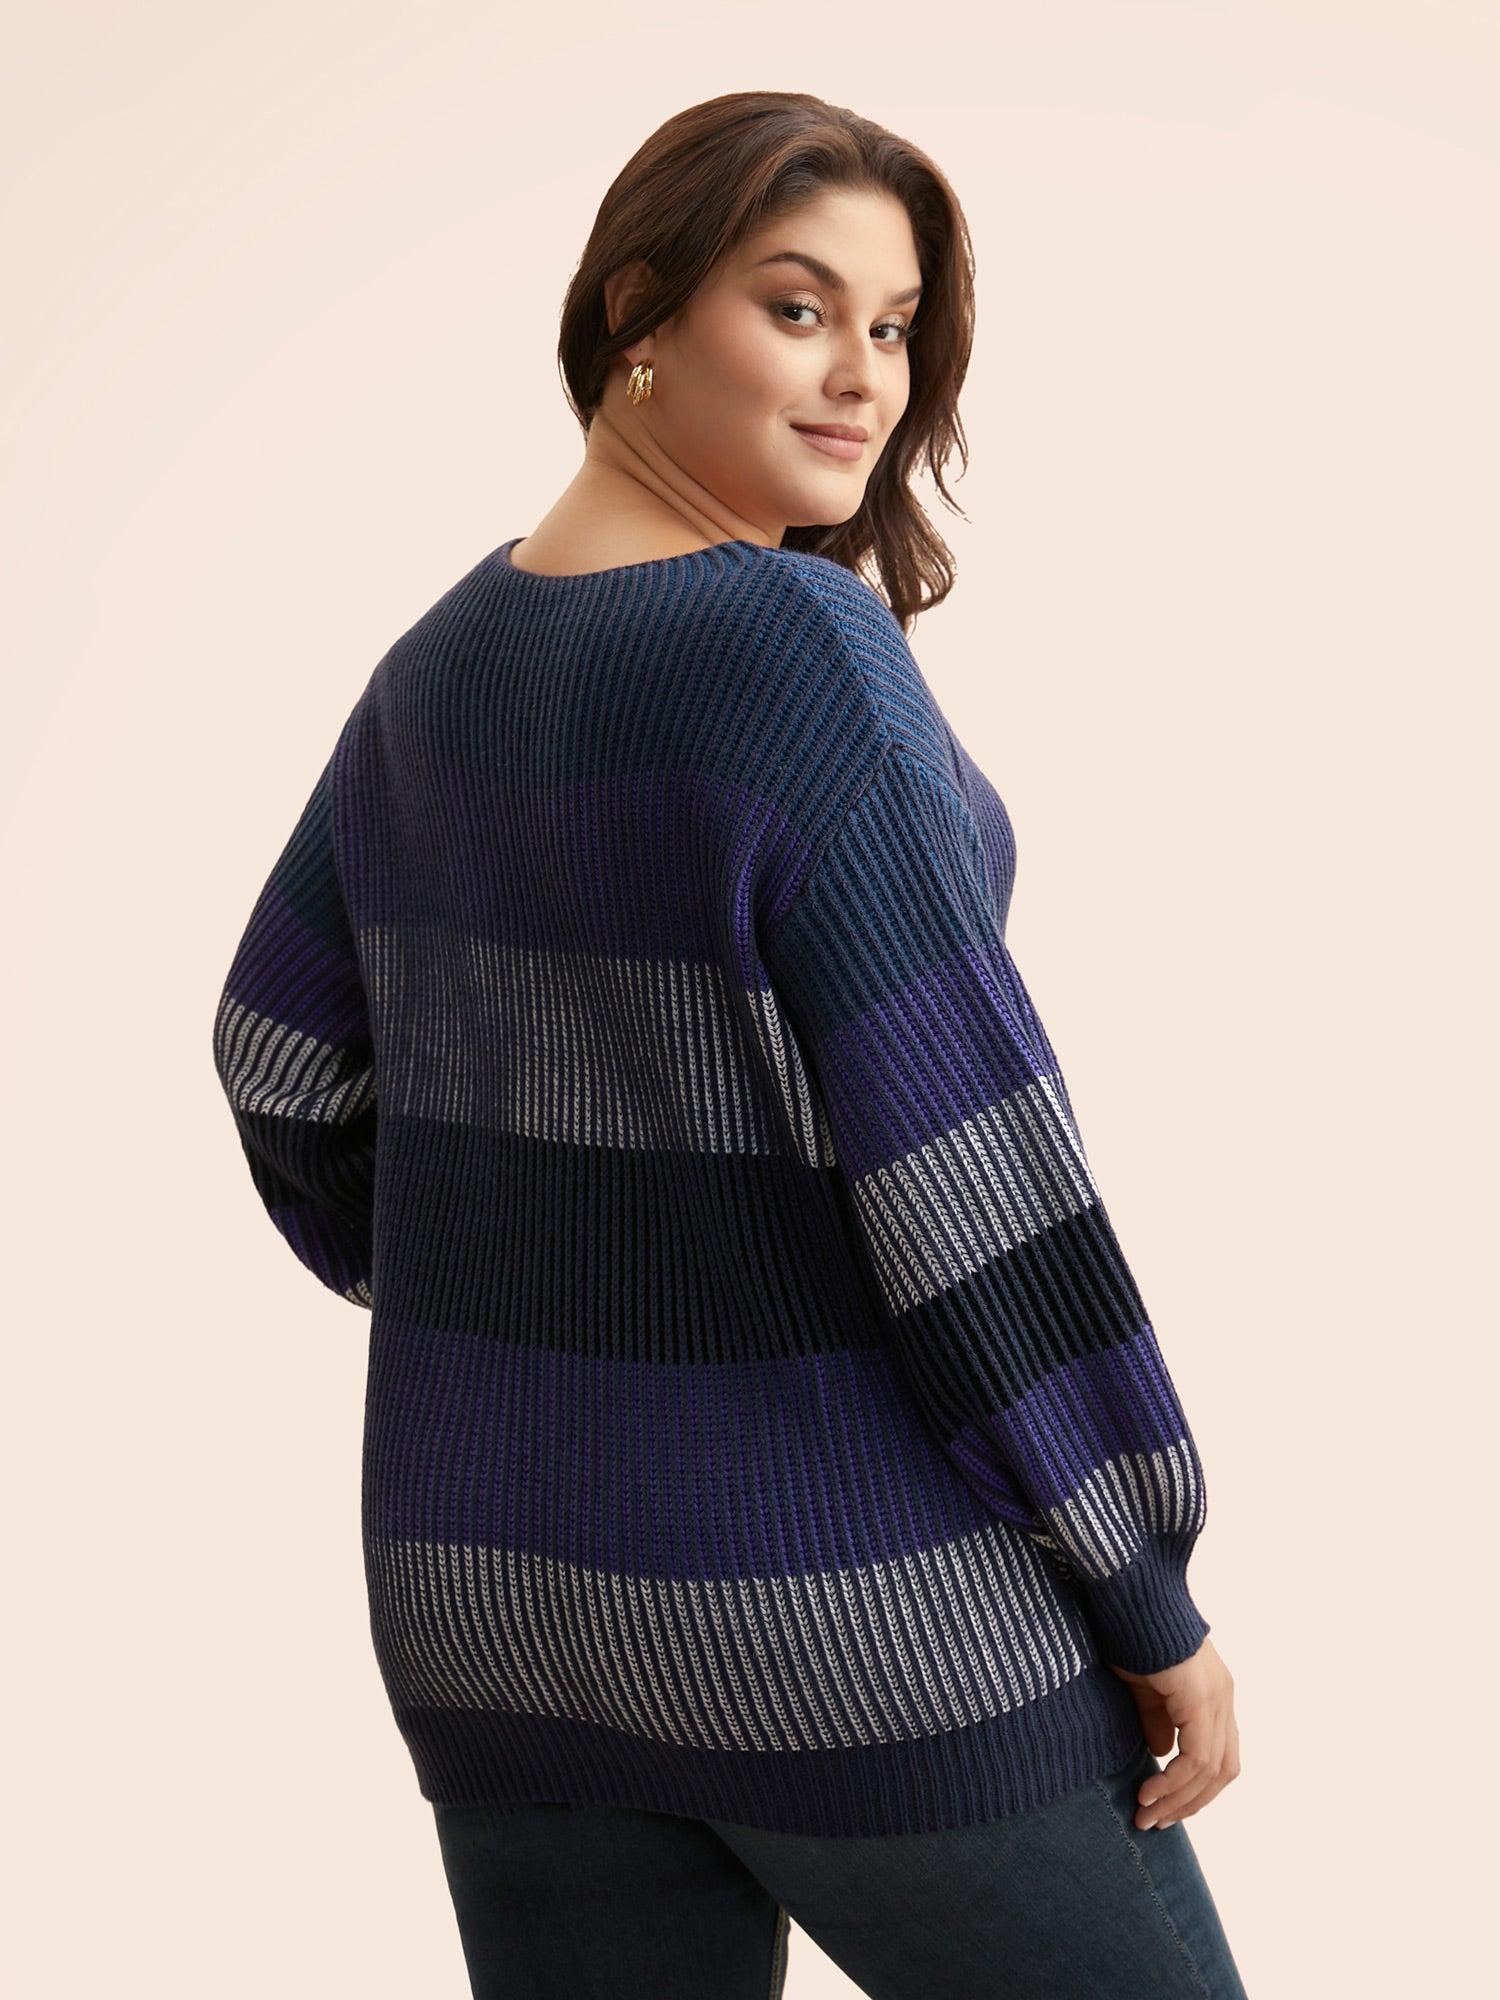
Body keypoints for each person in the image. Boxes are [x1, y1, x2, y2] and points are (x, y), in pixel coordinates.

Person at [211, 89, 1247, 1999]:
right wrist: (1142, 1580)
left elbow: (280, 1061)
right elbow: (972, 1174)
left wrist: (524, 1286)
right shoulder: (794, 651)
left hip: (494, 1608)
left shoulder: (436, 670)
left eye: (895, 324)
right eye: (797, 307)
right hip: (846, 1617)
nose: (864, 375)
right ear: (639, 314)